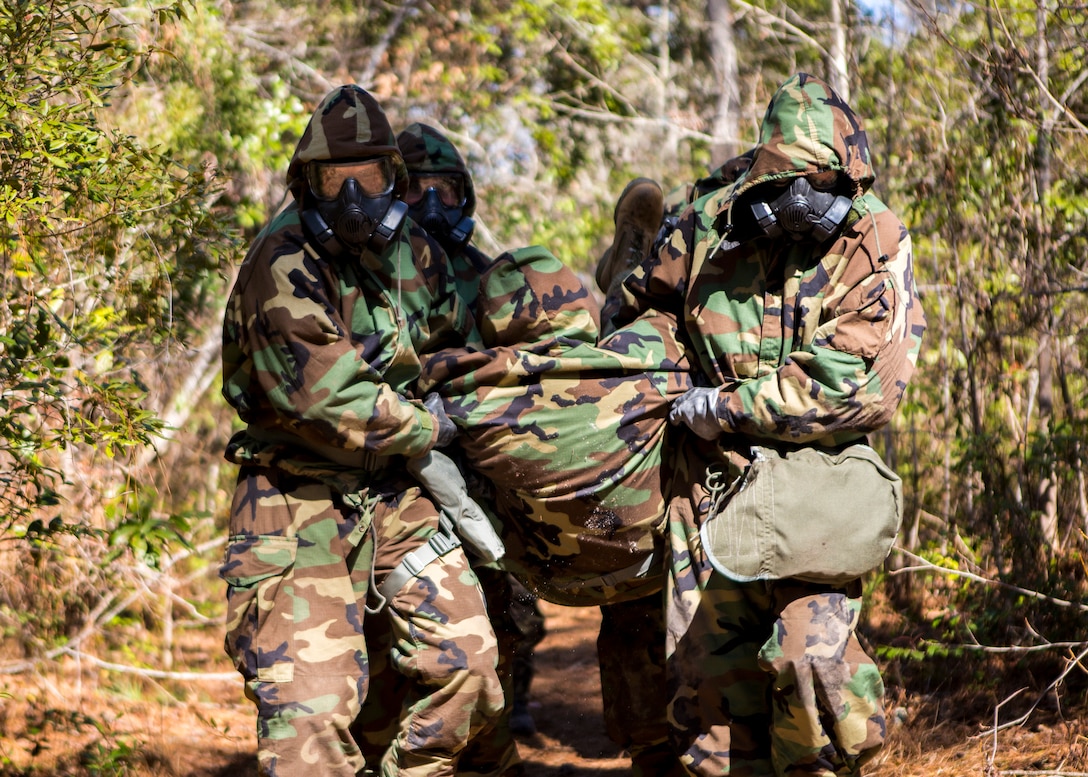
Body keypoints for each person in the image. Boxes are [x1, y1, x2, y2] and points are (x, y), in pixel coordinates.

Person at [615, 73, 926, 776]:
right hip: (707, 492)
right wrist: (658, 366)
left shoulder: (874, 236)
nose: (819, 201)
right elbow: (643, 315)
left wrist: (724, 406)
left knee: (815, 674)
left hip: (817, 486)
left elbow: (864, 386)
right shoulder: (708, 222)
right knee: (710, 719)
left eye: (833, 183)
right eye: (799, 181)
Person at [218, 84, 504, 777]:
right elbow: (330, 395)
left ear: (392, 178)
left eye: (368, 177)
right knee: (309, 723)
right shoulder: (280, 261)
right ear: (305, 181)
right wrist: (422, 418)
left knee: (471, 669)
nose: (352, 197)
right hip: (296, 502)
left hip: (393, 497)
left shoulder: (414, 254)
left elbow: (462, 333)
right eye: (333, 179)